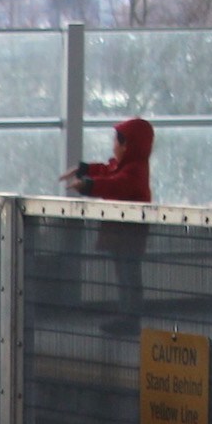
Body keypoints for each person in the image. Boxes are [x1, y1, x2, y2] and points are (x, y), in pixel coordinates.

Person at [65, 115, 155, 326]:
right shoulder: (129, 166)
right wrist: (84, 170)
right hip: (122, 234)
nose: (113, 146)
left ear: (127, 145)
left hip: (128, 234)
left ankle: (130, 319)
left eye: (117, 141)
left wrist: (88, 185)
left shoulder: (134, 171)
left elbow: (115, 183)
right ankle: (127, 316)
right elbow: (108, 171)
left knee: (128, 276)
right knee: (125, 275)